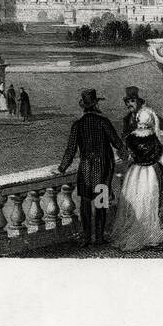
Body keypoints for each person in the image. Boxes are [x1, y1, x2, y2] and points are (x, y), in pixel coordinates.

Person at [58, 88, 123, 247]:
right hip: (103, 169)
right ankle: (99, 238)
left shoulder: (78, 125)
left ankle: (86, 238)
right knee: (100, 204)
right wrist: (125, 154)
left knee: (85, 204)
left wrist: (61, 168)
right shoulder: (104, 122)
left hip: (86, 169)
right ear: (96, 105)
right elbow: (117, 143)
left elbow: (71, 150)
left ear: (84, 106)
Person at [109, 102, 163, 251]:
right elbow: (161, 158)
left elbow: (124, 155)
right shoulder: (154, 138)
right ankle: (152, 235)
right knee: (150, 202)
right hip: (151, 174)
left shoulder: (130, 137)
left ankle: (138, 233)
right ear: (150, 121)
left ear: (138, 120)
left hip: (135, 173)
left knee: (135, 202)